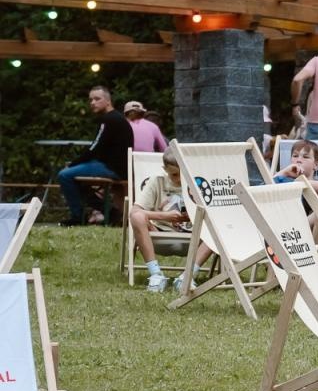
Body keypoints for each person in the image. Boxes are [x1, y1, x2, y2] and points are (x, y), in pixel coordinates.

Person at [131, 146, 212, 293]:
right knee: (137, 217)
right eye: (175, 175)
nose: (180, 179)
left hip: (194, 236)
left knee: (219, 224)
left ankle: (187, 277)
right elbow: (135, 211)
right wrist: (165, 216)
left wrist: (194, 215)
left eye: (183, 174)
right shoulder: (157, 181)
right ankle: (156, 275)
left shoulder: (198, 182)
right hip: (159, 234)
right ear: (165, 169)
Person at [58, 86, 134, 226]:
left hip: (112, 168)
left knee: (64, 175)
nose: (92, 102)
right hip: (115, 167)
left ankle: (77, 217)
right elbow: (100, 148)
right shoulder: (115, 118)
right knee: (75, 180)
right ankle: (109, 212)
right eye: (90, 100)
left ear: (108, 101)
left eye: (97, 99)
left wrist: (73, 163)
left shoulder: (110, 119)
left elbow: (94, 148)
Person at [273, 139, 318, 205]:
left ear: (316, 165)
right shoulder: (283, 179)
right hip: (286, 213)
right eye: (295, 156)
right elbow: (266, 190)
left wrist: (295, 181)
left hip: (312, 214)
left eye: (305, 157)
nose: (299, 160)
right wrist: (285, 172)